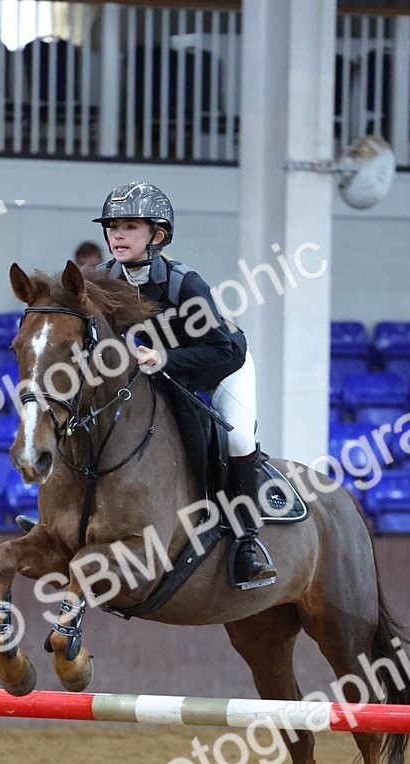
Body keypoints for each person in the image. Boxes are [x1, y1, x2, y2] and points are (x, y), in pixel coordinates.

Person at [91, 180, 277, 587]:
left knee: (239, 439)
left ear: (156, 236)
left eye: (130, 227)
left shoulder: (183, 283)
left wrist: (166, 358)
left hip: (222, 365)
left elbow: (222, 349)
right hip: (159, 369)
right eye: (113, 227)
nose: (117, 235)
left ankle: (246, 541)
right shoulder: (101, 278)